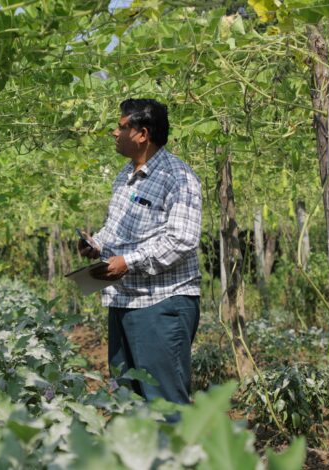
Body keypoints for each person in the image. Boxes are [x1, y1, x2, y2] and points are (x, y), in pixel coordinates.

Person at [78, 98, 202, 410]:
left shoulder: (179, 178)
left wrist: (128, 262)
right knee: (128, 400)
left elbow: (182, 240)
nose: (114, 133)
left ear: (142, 134)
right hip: (122, 302)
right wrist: (96, 244)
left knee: (164, 403)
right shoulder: (124, 175)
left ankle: (177, 460)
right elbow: (116, 228)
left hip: (161, 306)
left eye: (121, 127)